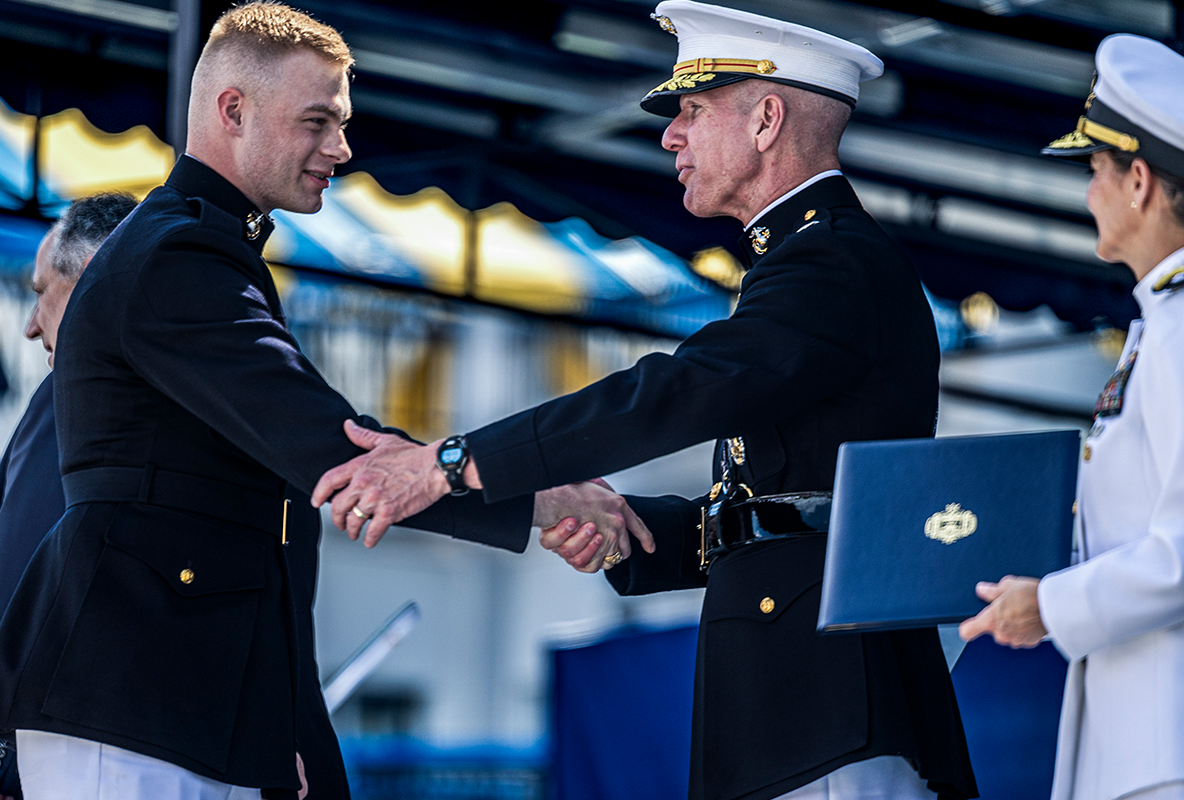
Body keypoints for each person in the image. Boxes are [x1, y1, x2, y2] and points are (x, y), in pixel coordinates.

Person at [312, 2, 977, 798]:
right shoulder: (816, 259)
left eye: (692, 112)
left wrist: (454, 463)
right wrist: (628, 529)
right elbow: (790, 504)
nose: (671, 137)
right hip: (807, 703)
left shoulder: (832, 264)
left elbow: (674, 394)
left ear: (767, 120)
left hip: (830, 702)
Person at [0, 5, 646, 799]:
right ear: (234, 110)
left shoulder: (197, 250)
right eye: (317, 121)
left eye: (343, 123)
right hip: (130, 700)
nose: (341, 147)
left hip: (171, 703)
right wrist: (537, 496)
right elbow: (330, 447)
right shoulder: (177, 256)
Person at [960, 34, 1184, 800]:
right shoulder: (1160, 325)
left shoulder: (1179, 331)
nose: (1088, 193)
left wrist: (1050, 606)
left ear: (1139, 181)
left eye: (1095, 169)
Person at [0, 194, 136, 800]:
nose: (30, 324)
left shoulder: (75, 395)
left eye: (41, 292)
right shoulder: (206, 397)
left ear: (90, 280)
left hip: (55, 758)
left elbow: (16, 573)